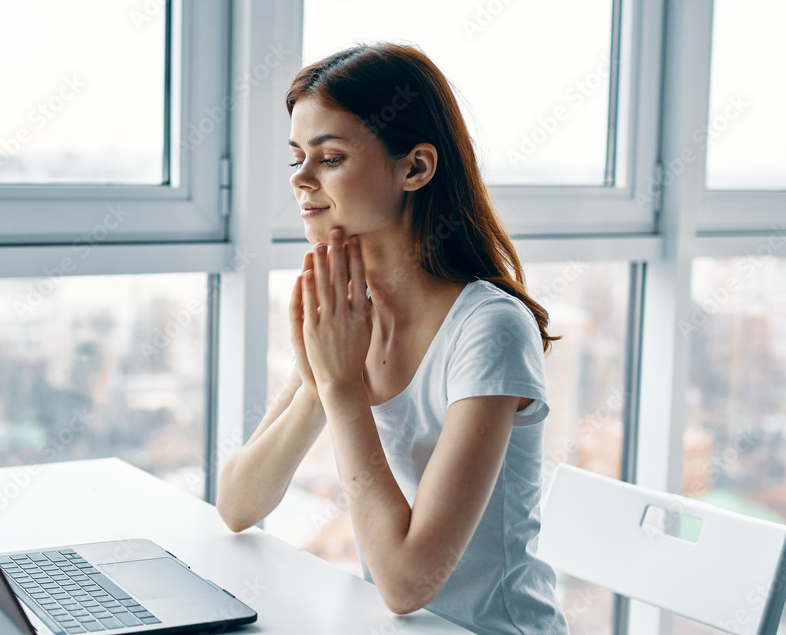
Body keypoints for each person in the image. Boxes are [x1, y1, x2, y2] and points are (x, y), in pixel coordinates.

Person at [216, 42, 570, 635]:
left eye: (329, 158)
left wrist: (341, 387)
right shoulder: (350, 312)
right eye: (296, 156)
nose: (301, 179)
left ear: (415, 168)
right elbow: (238, 505)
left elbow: (407, 584)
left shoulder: (490, 328)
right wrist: (321, 381)